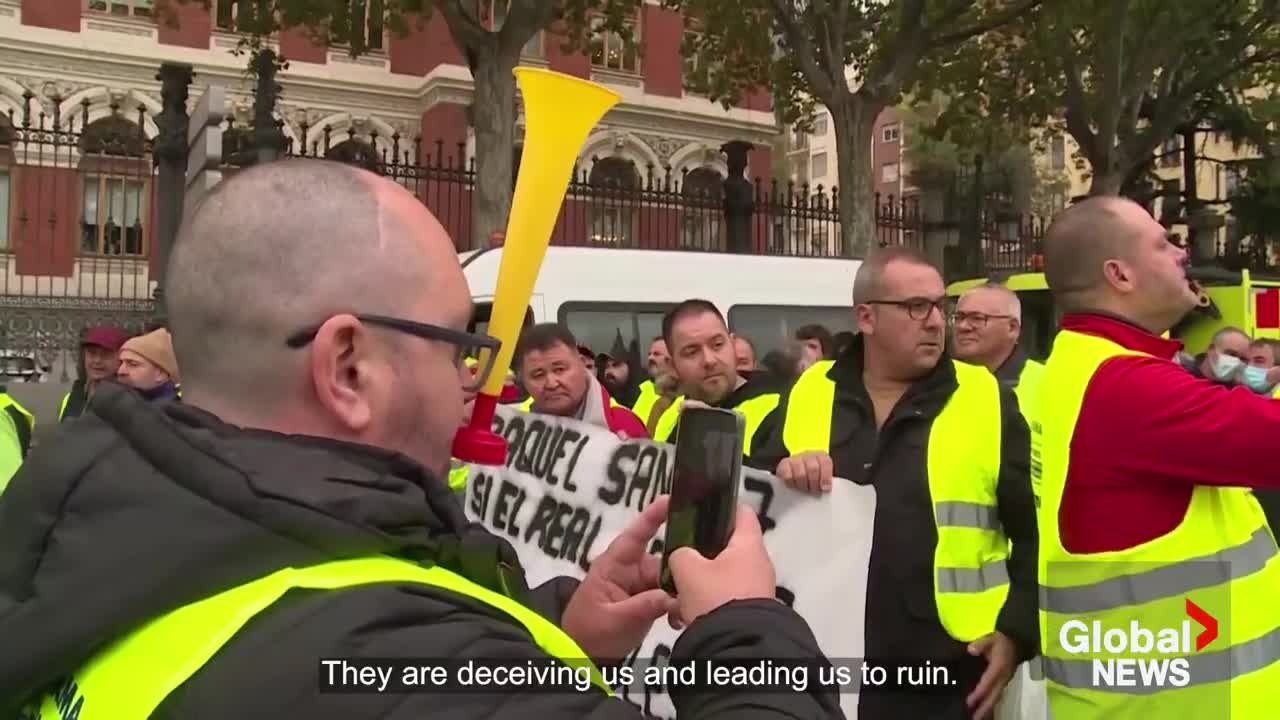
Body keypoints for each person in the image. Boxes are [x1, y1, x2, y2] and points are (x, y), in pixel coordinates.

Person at [0, 159, 837, 720]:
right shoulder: (402, 663)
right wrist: (743, 624)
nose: (473, 381)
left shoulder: (101, 521)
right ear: (350, 370)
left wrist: (556, 638)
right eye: (459, 346)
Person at [752, 246, 1037, 720]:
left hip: (946, 670)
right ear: (866, 317)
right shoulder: (811, 390)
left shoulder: (983, 397)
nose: (935, 322)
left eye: (940, 306)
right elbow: (756, 500)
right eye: (915, 307)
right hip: (822, 657)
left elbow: (1031, 532)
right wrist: (785, 471)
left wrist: (1017, 634)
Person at [1034, 196, 1280, 718]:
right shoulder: (1125, 384)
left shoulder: (1087, 365)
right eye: (1163, 242)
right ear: (1119, 275)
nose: (1182, 250)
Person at [650, 300, 782, 456]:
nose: (709, 360)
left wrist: (714, 436)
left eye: (718, 344)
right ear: (673, 365)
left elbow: (770, 477)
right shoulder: (671, 416)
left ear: (732, 345)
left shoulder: (778, 405)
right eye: (692, 352)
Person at [515, 323, 648, 439]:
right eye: (538, 375)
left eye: (559, 369)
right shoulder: (515, 435)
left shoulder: (625, 425)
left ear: (582, 365)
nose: (551, 383)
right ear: (524, 381)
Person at [952, 282, 1043, 420]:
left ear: (1012, 328)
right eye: (958, 318)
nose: (963, 326)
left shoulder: (1045, 384)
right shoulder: (941, 384)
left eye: (977, 318)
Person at [58, 325, 129, 421]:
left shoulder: (128, 402)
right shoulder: (75, 395)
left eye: (105, 354)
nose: (97, 360)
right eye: (92, 353)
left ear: (121, 358)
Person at [116, 328, 181, 403]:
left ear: (160, 373)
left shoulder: (171, 411)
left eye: (133, 364)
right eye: (120, 363)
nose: (120, 371)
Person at [1178, 325, 1250, 386]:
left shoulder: (1238, 390)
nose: (1236, 362)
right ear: (1211, 350)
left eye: (1243, 359)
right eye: (1231, 354)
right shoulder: (1181, 376)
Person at [629, 336, 669, 425]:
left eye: (657, 354)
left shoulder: (685, 395)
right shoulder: (644, 392)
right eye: (649, 354)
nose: (650, 358)